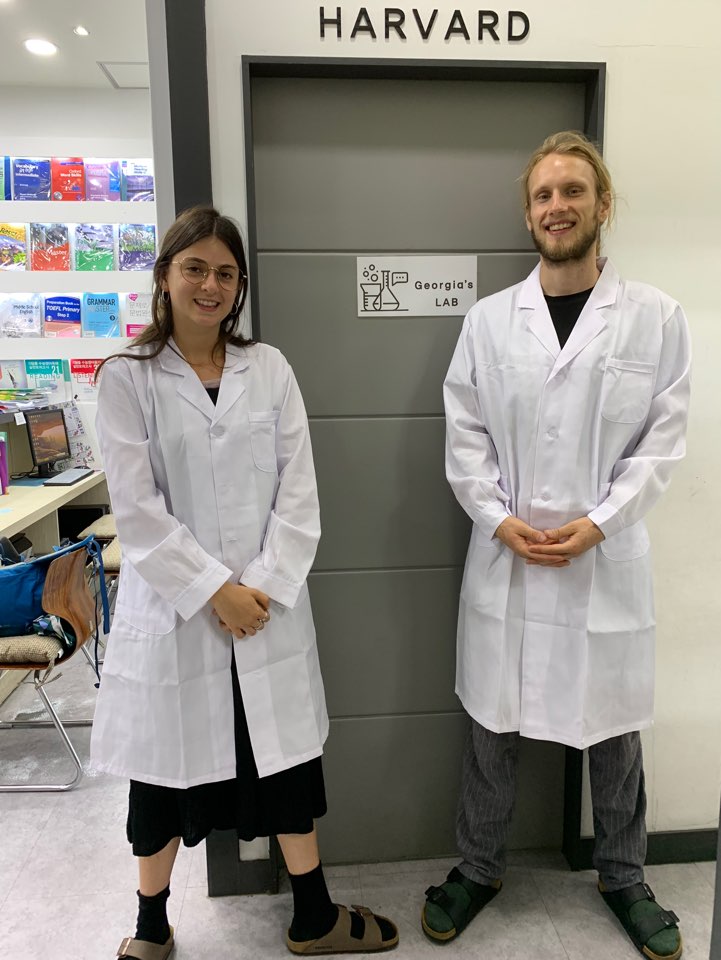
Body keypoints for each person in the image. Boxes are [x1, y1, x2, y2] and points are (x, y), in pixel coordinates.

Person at [91, 206, 398, 959]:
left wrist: (256, 588)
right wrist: (214, 591)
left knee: (286, 769)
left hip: (264, 613)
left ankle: (313, 917)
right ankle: (151, 929)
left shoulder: (270, 369)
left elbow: (300, 492)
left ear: (239, 286)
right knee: (161, 784)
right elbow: (137, 510)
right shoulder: (127, 376)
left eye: (225, 273)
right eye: (194, 268)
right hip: (179, 618)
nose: (210, 285)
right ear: (165, 275)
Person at [422, 132, 690, 960]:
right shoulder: (487, 322)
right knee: (490, 724)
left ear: (602, 204)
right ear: (528, 213)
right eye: (542, 195)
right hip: (507, 553)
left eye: (572, 191)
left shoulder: (654, 318)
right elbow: (464, 434)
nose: (557, 206)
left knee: (612, 729)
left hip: (600, 558)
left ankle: (623, 876)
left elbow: (662, 443)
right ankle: (477, 867)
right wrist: (496, 517)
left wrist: (600, 520)